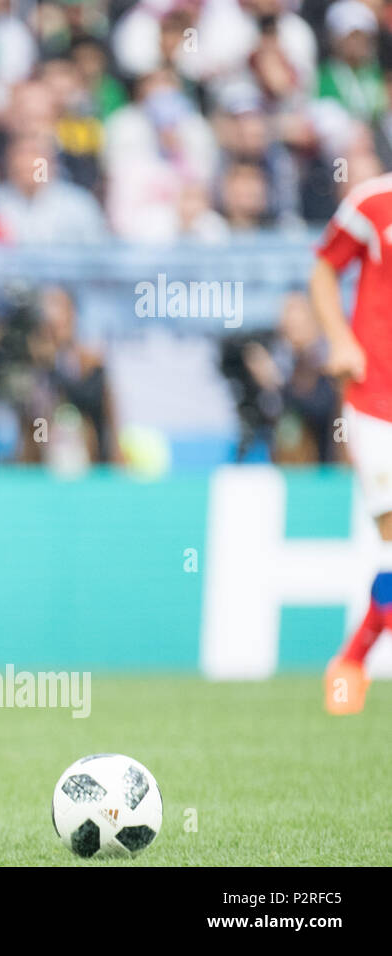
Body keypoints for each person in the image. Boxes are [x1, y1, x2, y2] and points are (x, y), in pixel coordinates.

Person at [311, 167, 392, 715]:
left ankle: (351, 660)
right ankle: (351, 663)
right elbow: (323, 268)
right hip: (377, 401)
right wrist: (340, 339)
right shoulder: (373, 201)